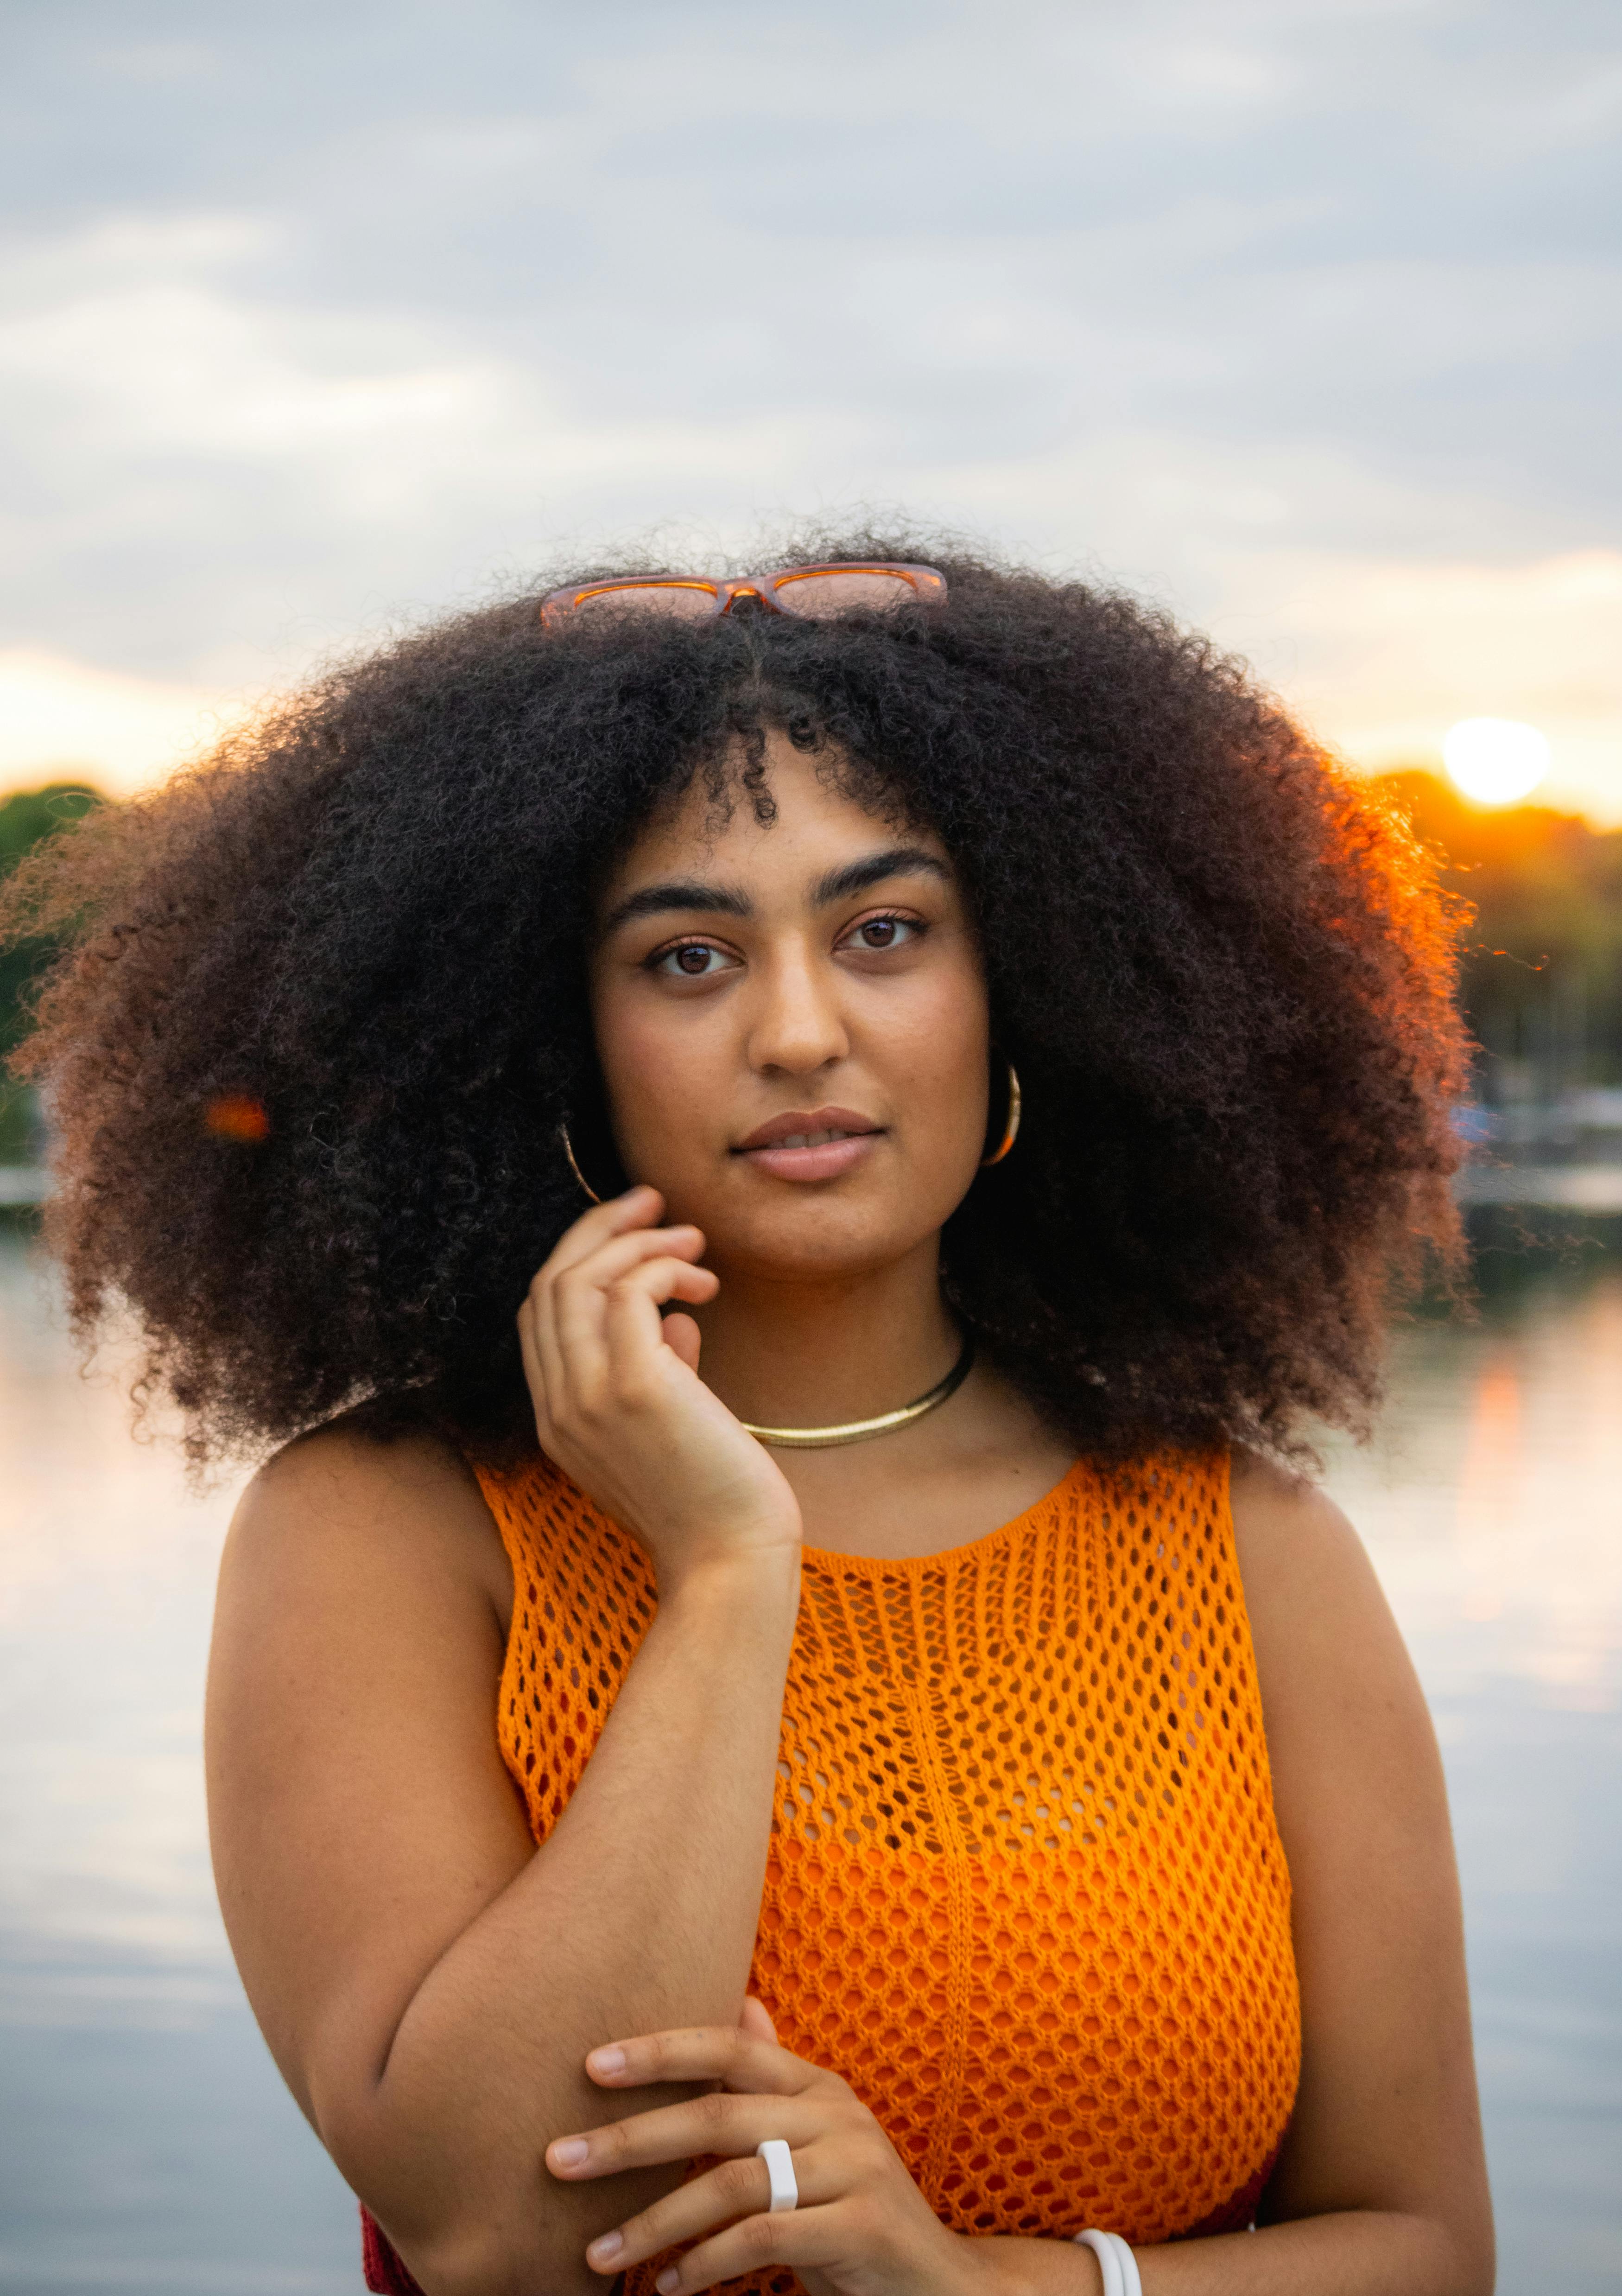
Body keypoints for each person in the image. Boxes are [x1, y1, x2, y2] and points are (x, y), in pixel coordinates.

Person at [6, 544, 1493, 2296]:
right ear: (556, 1035)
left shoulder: (1246, 1544)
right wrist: (724, 1567)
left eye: (885, 932)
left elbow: (1425, 2248)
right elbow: (504, 2229)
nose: (801, 1031)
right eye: (690, 955)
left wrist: (998, 2285)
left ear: (1033, 985)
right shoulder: (384, 1530)